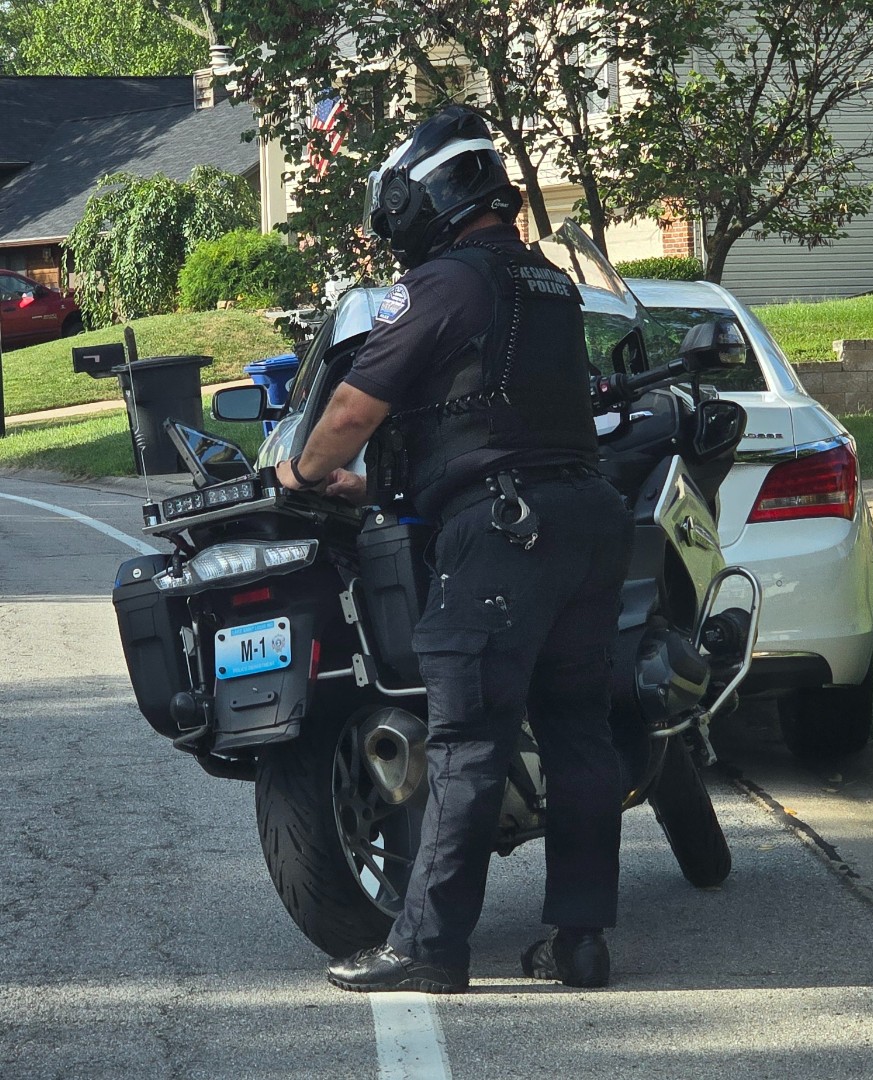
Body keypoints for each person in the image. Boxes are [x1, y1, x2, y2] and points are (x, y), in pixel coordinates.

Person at [275, 105, 634, 994]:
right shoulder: (545, 280)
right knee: (580, 734)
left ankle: (428, 947)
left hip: (506, 534)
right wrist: (391, 487)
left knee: (468, 742)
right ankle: (580, 940)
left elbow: (354, 412)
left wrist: (303, 472)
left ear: (430, 193)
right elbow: (498, 414)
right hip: (585, 519)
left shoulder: (442, 284)